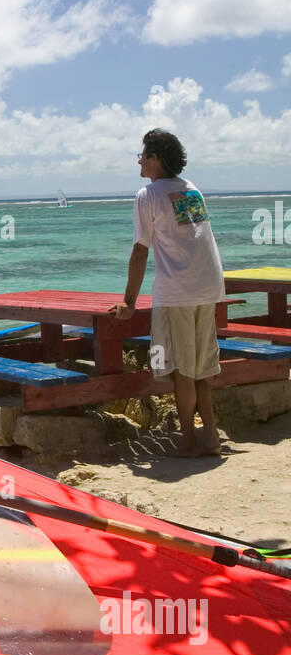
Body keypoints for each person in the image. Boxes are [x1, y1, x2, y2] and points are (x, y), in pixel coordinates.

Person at [111, 129, 225, 458]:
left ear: (156, 159)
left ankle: (189, 441)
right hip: (208, 286)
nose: (139, 161)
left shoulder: (148, 195)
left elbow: (139, 250)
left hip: (179, 290)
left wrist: (129, 301)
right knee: (202, 368)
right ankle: (212, 438)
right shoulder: (191, 190)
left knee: (181, 369)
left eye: (143, 155)